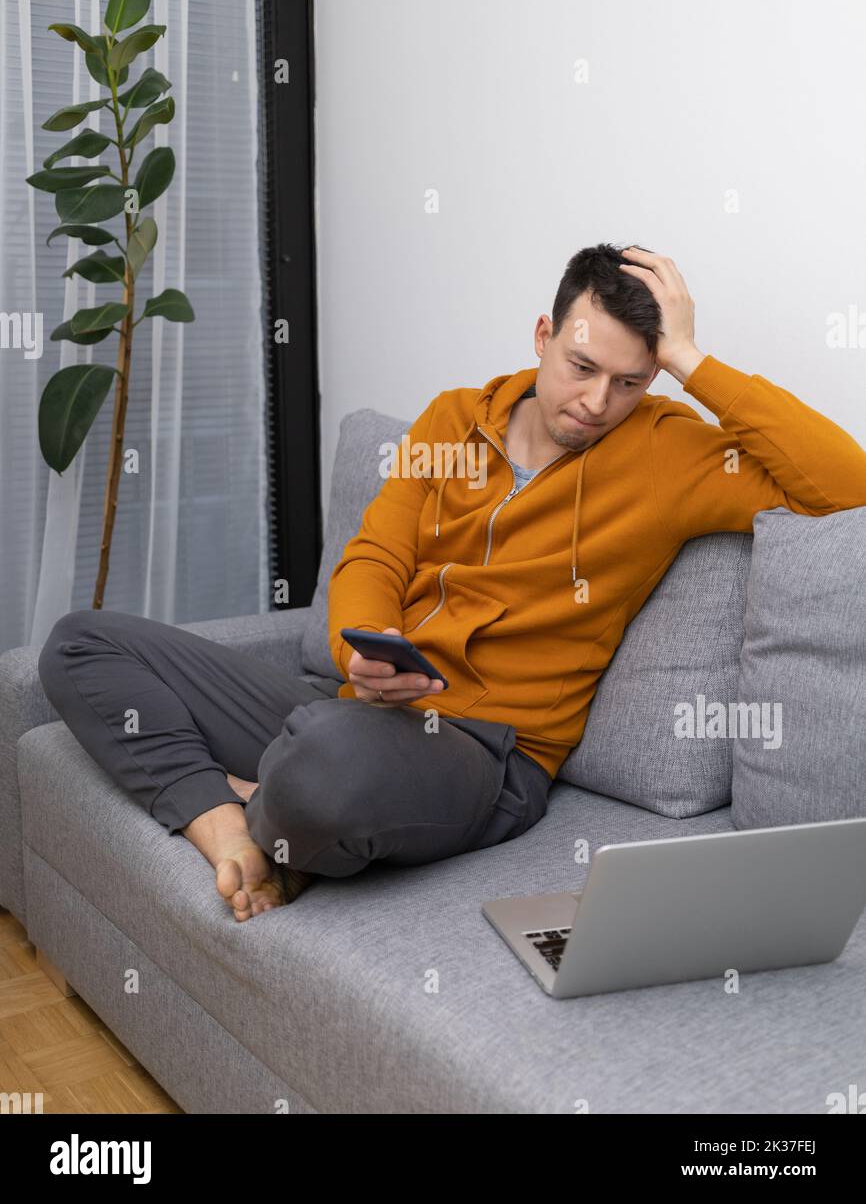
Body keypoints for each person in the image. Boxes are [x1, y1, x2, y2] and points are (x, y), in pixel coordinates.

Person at [37, 244, 866, 921]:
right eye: (581, 365)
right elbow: (376, 557)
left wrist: (691, 360)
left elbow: (847, 485)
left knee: (325, 767)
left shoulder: (669, 452)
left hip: (484, 755)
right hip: (363, 713)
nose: (596, 402)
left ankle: (275, 795)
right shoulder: (451, 422)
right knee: (81, 643)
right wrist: (361, 650)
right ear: (543, 333)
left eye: (629, 381)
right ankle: (232, 821)